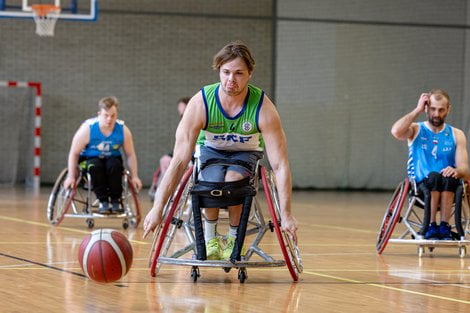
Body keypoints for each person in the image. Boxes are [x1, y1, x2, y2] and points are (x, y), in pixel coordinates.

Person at [143, 41, 298, 260]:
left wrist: (287, 214)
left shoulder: (264, 108)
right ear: (219, 71)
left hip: (246, 152)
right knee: (212, 180)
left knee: (234, 180)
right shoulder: (200, 103)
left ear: (250, 74)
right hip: (211, 151)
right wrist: (158, 208)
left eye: (238, 73)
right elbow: (178, 161)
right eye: (225, 72)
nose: (231, 80)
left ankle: (235, 238)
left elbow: (280, 165)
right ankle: (210, 238)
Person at [391, 89, 469, 240]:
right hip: (421, 187)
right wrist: (417, 110)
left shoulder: (456, 134)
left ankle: (444, 226)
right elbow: (396, 132)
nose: (436, 114)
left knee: (448, 177)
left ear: (448, 109)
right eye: (432, 109)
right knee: (433, 177)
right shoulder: (415, 129)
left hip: (449, 186)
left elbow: (465, 169)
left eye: (441, 110)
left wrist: (457, 171)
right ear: (427, 108)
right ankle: (431, 225)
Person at [63, 96, 142, 214]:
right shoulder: (87, 129)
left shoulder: (123, 130)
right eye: (106, 115)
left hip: (112, 158)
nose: (109, 119)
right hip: (90, 158)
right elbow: (74, 153)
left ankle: (116, 200)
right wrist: (70, 176)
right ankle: (103, 201)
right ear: (99, 114)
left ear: (117, 114)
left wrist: (135, 176)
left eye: (113, 115)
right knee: (96, 167)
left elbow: (130, 154)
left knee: (115, 166)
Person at [148, 97, 190, 201]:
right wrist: (171, 155)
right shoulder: (183, 124)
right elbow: (181, 144)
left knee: (174, 163)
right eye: (180, 112)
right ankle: (161, 190)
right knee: (165, 160)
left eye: (183, 111)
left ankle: (168, 190)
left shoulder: (196, 121)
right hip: (185, 151)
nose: (181, 114)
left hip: (194, 155)